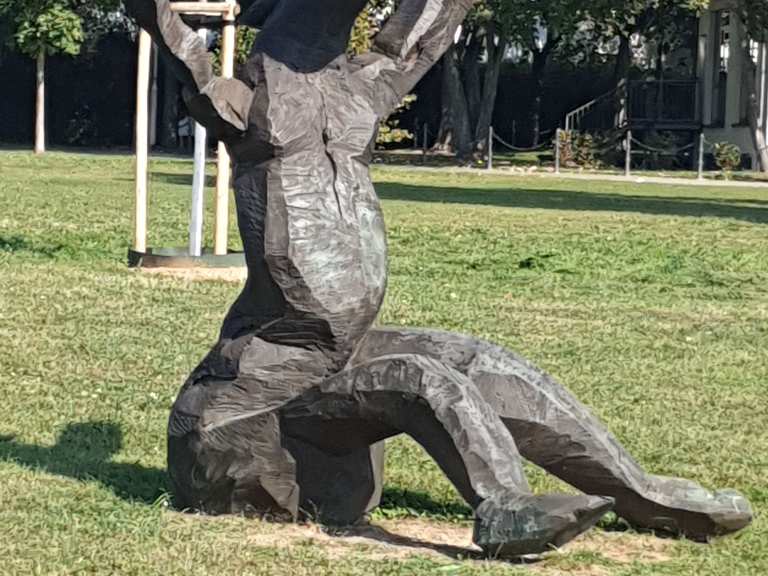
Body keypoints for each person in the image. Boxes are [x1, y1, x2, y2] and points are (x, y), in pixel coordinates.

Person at [125, 0, 752, 558]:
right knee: (419, 377)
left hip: (335, 355)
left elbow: (416, 38)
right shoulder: (246, 99)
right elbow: (174, 39)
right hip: (250, 407)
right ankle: (504, 509)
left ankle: (642, 494)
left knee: (483, 361)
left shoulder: (353, 92)